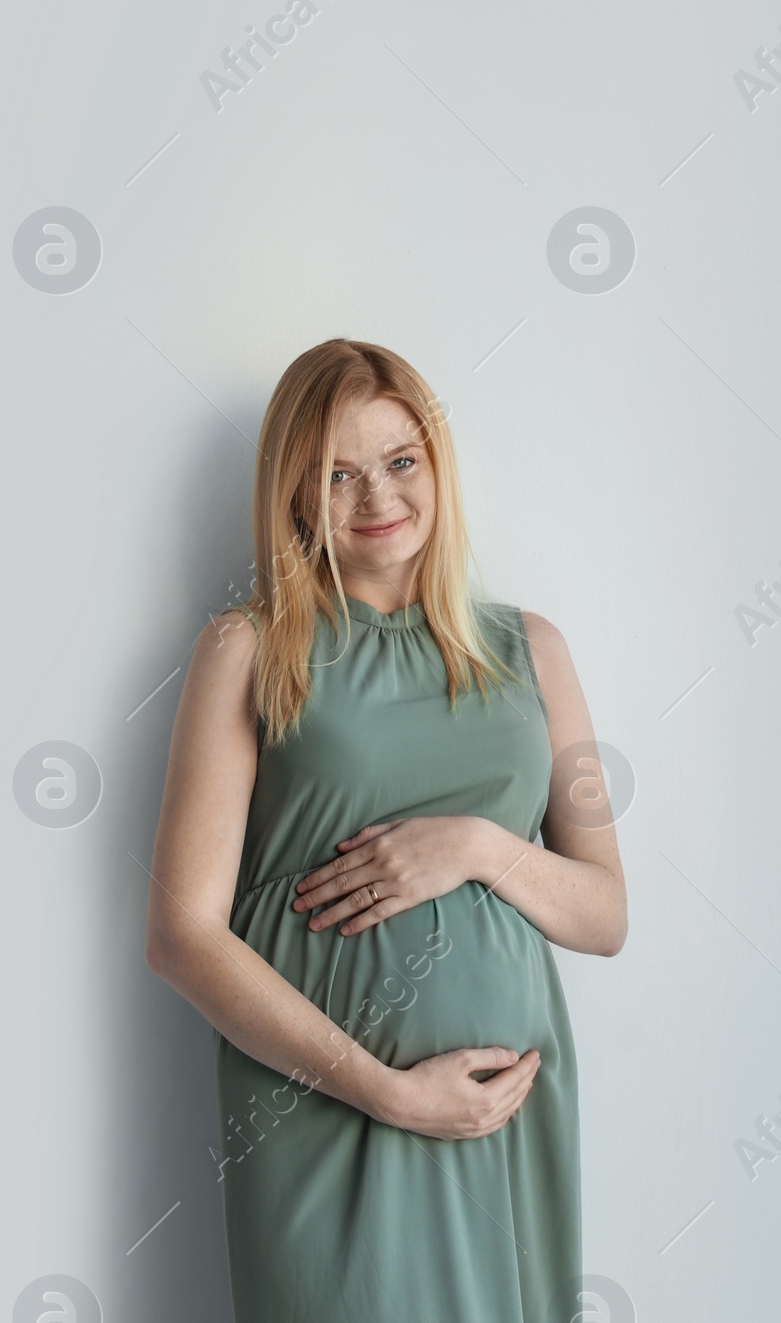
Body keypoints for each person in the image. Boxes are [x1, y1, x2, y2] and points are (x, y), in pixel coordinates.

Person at [145, 338, 627, 1322]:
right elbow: (181, 936)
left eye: (400, 459)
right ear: (292, 491)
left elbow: (604, 912)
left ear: (438, 463)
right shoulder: (246, 649)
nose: (376, 497)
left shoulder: (533, 648)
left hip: (503, 1111)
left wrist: (481, 847)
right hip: (326, 1111)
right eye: (337, 473)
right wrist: (388, 1091)